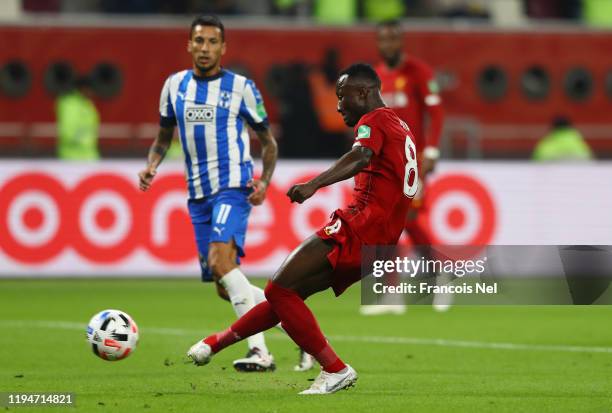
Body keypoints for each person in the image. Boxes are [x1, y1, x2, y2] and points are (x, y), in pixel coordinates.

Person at [187, 63, 419, 394]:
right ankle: (216, 343)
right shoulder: (400, 124)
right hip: (380, 241)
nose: (338, 105)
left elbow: (361, 156)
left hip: (359, 228)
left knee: (279, 289)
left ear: (364, 93)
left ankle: (335, 369)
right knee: (287, 295)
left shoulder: (374, 121)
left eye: (343, 97)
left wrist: (313, 184)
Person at [138, 15, 287, 372]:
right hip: (198, 194)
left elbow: (268, 142)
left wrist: (264, 181)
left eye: (212, 42)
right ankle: (293, 322)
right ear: (189, 45)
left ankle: (260, 352)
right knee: (224, 284)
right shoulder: (174, 86)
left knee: (223, 263)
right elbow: (162, 136)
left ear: (223, 48)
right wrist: (152, 165)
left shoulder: (241, 88)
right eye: (199, 41)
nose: (205, 48)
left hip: (232, 186)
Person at [363, 19, 445, 315]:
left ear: (401, 41)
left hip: (413, 160)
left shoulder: (418, 72)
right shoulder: (376, 77)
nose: (388, 45)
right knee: (383, 225)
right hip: (384, 163)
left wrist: (432, 150)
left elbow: (435, 113)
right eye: (383, 39)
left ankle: (441, 273)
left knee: (408, 220)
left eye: (393, 39)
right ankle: (391, 293)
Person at [56, 75, 100, 161]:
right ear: (83, 88)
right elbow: (68, 131)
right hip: (72, 157)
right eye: (90, 89)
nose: (92, 92)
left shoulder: (86, 104)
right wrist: (85, 140)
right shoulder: (71, 105)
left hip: (88, 155)